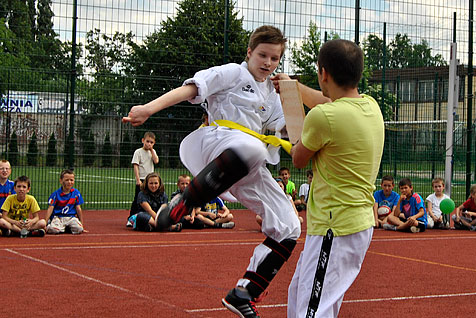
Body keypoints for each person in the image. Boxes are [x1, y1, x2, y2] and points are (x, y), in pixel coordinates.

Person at [123, 25, 301, 318]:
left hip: (247, 163)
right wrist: (148, 109)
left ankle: (244, 293)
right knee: (252, 149)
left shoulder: (272, 92)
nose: (268, 64)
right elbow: (192, 88)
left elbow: (290, 130)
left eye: (275, 59)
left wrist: (293, 96)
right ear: (249, 52)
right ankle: (185, 202)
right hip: (218, 142)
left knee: (290, 226)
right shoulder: (233, 73)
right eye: (262, 55)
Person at [273, 39, 384, 317]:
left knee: (312, 310)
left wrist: (291, 119)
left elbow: (299, 159)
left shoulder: (324, 117)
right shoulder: (371, 106)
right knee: (302, 295)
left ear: (323, 73)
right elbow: (329, 102)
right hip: (350, 225)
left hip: (335, 226)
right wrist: (294, 88)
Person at [128, 131, 159, 226]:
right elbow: (136, 165)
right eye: (147, 141)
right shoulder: (138, 152)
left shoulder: (152, 152)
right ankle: (131, 218)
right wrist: (138, 180)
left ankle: (147, 216)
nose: (149, 144)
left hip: (150, 180)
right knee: (138, 199)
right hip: (142, 179)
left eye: (151, 142)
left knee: (149, 199)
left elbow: (156, 161)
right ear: (143, 140)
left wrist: (152, 150)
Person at [45, 169, 86, 235]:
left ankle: (65, 227)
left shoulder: (76, 193)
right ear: (61, 181)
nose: (69, 182)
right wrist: (45, 222)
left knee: (79, 229)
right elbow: (50, 208)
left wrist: (81, 223)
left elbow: (78, 208)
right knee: (53, 230)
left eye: (71, 180)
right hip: (58, 217)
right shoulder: (55, 194)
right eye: (67, 180)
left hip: (71, 217)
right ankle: (52, 224)